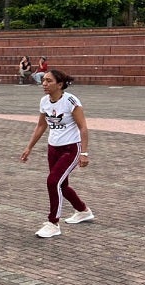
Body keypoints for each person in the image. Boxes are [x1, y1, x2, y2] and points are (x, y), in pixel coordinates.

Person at [20, 69, 95, 238]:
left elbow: (83, 127)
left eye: (49, 81)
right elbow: (41, 125)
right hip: (53, 148)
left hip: (70, 149)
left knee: (53, 181)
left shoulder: (70, 101)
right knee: (61, 185)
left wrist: (84, 153)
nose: (44, 84)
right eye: (44, 80)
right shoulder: (44, 101)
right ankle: (83, 211)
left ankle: (53, 223)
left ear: (60, 85)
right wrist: (29, 147)